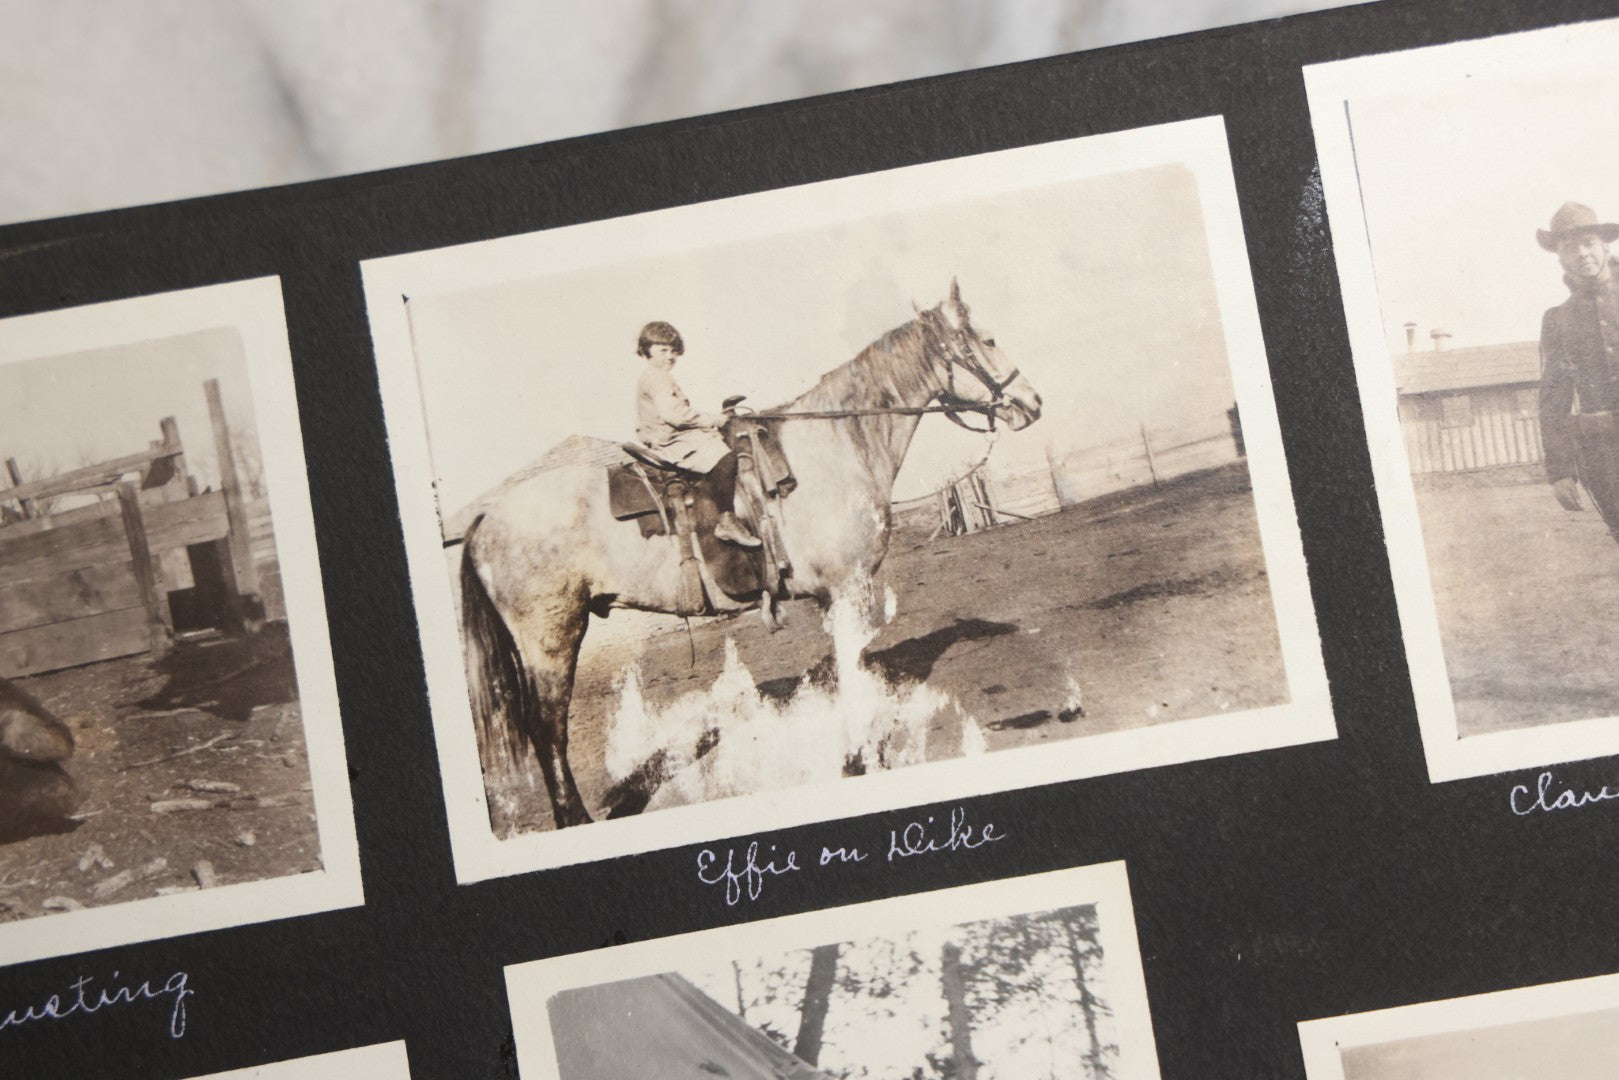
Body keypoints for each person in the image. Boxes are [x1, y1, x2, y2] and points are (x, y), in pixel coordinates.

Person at [633, 320, 761, 548]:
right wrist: (714, 419)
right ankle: (726, 521)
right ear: (646, 350)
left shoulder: (657, 376)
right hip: (670, 441)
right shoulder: (657, 377)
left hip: (671, 435)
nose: (669, 356)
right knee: (726, 457)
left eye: (673, 351)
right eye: (662, 350)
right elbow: (674, 415)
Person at [1537, 201, 1619, 543]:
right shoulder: (1558, 320)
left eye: (1588, 243)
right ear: (1561, 258)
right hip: (1607, 458)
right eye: (1571, 248)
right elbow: (1553, 399)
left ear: (1604, 245)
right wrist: (1560, 471)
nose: (1583, 254)